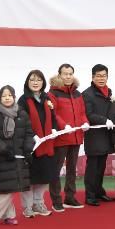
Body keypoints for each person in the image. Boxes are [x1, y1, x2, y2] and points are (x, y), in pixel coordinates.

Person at [0, 85, 33, 225]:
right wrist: (4, 149)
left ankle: (8, 215)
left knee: (12, 186)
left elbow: (29, 133)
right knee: (7, 187)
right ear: (0, 98)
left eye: (10, 95)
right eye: (4, 96)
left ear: (14, 97)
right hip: (3, 156)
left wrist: (28, 149)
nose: (7, 98)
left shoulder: (22, 114)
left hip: (19, 157)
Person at [18, 70, 64, 218]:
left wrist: (55, 128)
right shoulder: (23, 100)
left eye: (38, 80)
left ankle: (38, 203)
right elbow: (22, 122)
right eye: (32, 80)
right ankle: (27, 206)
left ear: (43, 82)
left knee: (44, 176)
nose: (35, 82)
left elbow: (53, 117)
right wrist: (33, 135)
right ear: (27, 82)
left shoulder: (46, 98)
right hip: (30, 145)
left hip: (46, 144)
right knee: (30, 178)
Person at [48, 64, 90, 211]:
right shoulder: (53, 93)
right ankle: (56, 200)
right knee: (56, 169)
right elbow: (53, 113)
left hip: (76, 136)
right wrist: (63, 126)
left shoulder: (77, 93)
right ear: (59, 75)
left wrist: (85, 122)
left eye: (70, 73)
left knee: (72, 169)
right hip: (61, 137)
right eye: (65, 74)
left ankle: (70, 198)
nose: (68, 76)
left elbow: (82, 112)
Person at [82, 64, 115, 206]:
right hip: (94, 135)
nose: (101, 78)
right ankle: (90, 196)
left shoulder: (109, 92)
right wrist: (104, 120)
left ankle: (99, 192)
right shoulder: (87, 94)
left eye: (104, 76)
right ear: (93, 77)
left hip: (106, 135)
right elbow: (88, 114)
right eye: (98, 76)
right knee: (92, 167)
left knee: (101, 167)